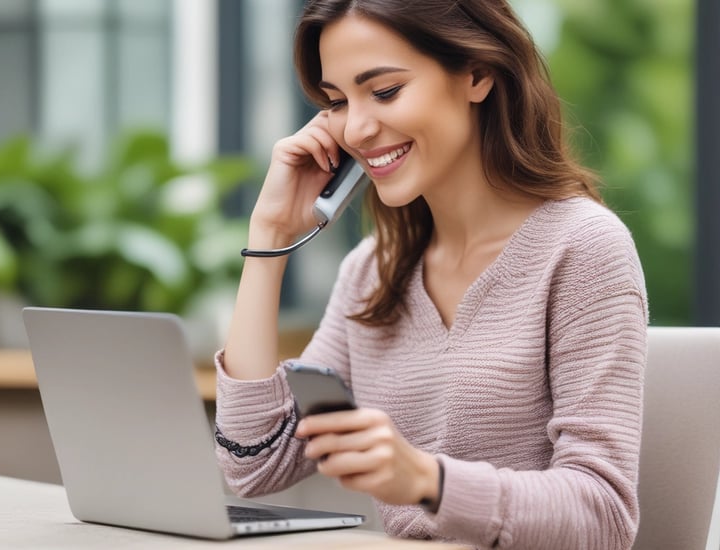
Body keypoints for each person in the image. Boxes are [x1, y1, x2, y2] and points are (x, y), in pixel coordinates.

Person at [212, 1, 648, 548]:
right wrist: (270, 235)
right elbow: (255, 466)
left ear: (478, 74)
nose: (358, 129)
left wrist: (425, 481)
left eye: (385, 91)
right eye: (338, 102)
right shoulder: (372, 272)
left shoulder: (582, 249)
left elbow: (603, 516)